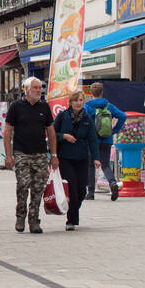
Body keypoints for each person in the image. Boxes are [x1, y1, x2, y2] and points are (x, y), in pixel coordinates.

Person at [2, 76, 58, 234]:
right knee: (23, 185)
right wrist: (8, 156)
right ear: (26, 90)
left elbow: (51, 133)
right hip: (21, 153)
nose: (39, 91)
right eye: (35, 88)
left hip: (40, 154)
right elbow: (7, 133)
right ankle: (20, 216)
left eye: (40, 88)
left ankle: (34, 220)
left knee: (38, 188)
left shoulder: (44, 107)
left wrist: (53, 155)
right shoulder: (16, 107)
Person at [53, 90, 103, 231]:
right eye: (76, 100)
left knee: (81, 190)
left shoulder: (87, 119)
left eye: (81, 100)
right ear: (70, 102)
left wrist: (96, 158)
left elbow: (93, 140)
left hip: (82, 158)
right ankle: (71, 220)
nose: (79, 103)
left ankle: (73, 209)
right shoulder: (62, 116)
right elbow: (52, 134)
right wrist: (64, 136)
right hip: (66, 158)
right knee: (73, 189)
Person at [83, 82, 126, 201]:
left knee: (91, 165)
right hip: (107, 138)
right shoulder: (109, 106)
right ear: (102, 92)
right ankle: (112, 183)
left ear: (91, 93)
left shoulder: (87, 106)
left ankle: (90, 193)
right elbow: (123, 116)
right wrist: (114, 130)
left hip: (92, 140)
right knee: (105, 164)